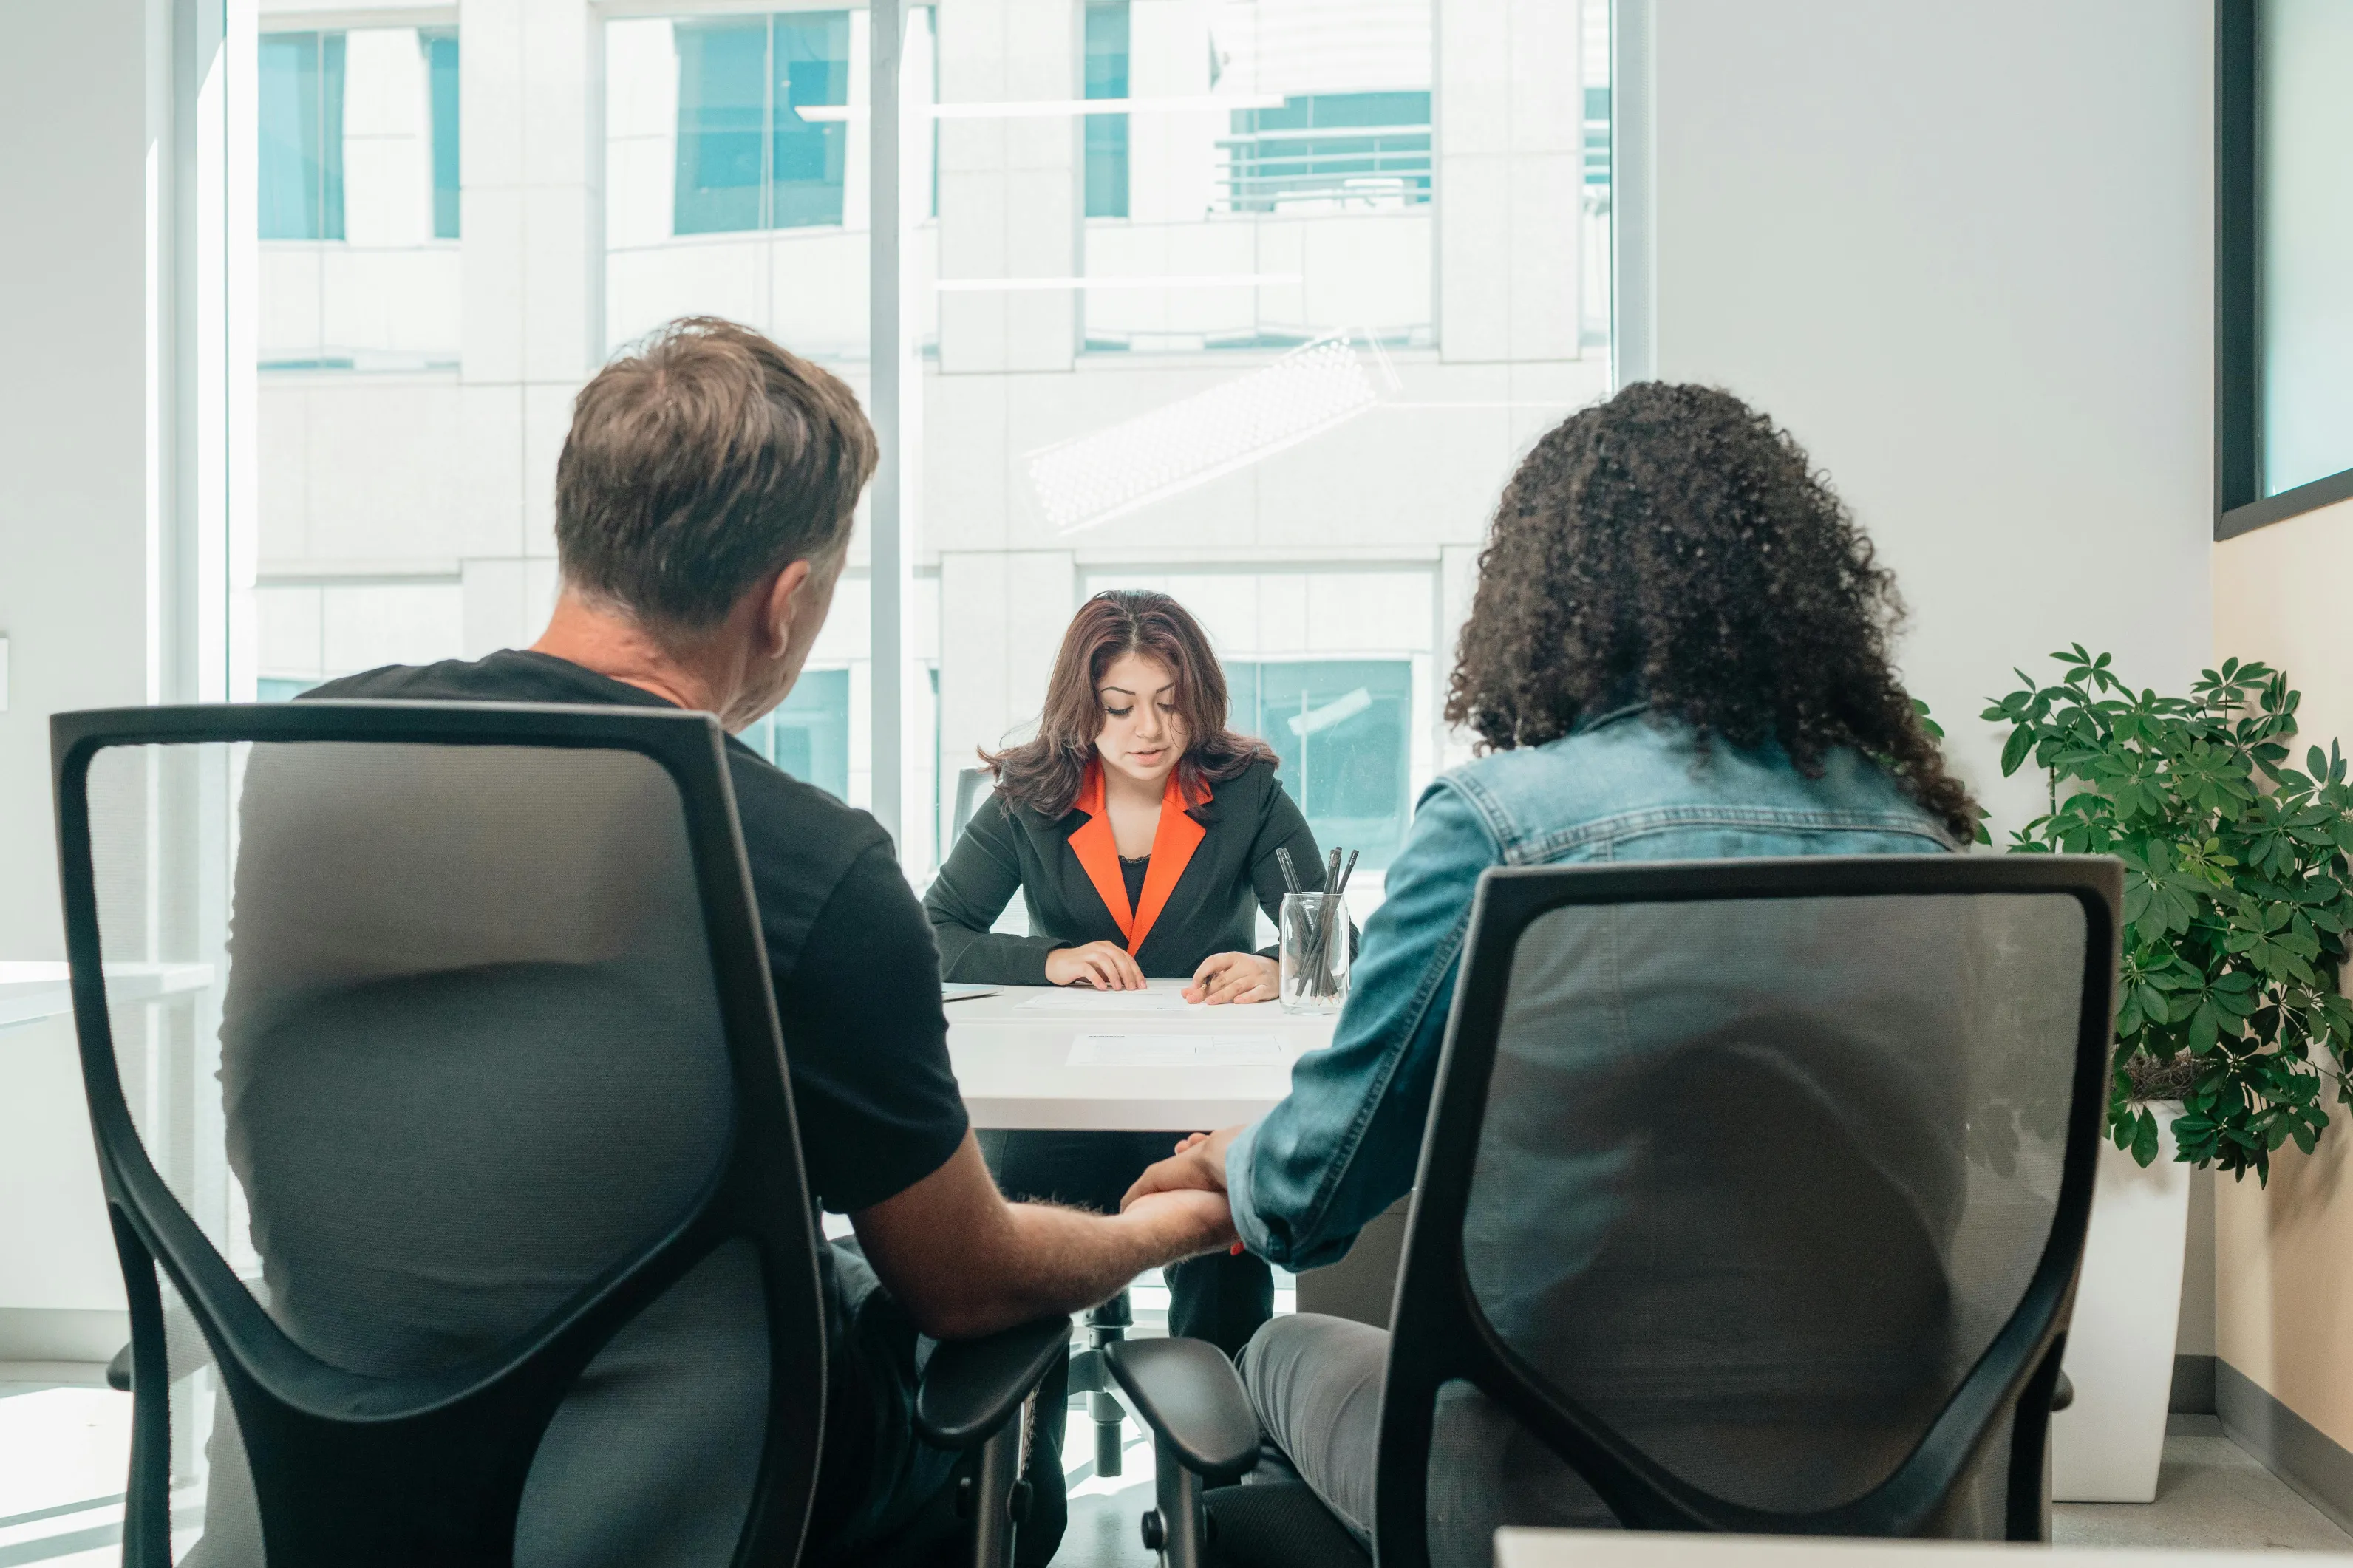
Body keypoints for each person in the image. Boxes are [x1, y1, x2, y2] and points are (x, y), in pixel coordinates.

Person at [209, 317, 1236, 1568]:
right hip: (686, 1498)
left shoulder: (321, 754)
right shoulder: (805, 860)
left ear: (580, 527)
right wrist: (1180, 1222)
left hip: (321, 1464)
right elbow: (965, 1280)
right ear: (785, 601)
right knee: (974, 1343)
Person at [1122, 382, 1980, 1561]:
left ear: (1548, 596)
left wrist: (1233, 1154)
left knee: (1271, 1348)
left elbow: (1313, 1196)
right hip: (1892, 1482)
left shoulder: (1507, 827)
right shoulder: (1911, 832)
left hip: (1561, 1491)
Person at [923, 593, 1338, 1440]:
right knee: (1008, 1243)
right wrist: (1048, 960)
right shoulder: (1030, 793)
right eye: (1118, 707)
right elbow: (935, 931)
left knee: (1225, 1243)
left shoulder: (1245, 791)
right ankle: (1015, 1483)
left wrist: (1277, 964)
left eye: (1169, 702)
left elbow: (1332, 939)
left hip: (1195, 1098)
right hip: (1060, 1093)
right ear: (1083, 708)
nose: (1147, 729)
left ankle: (1223, 1477)